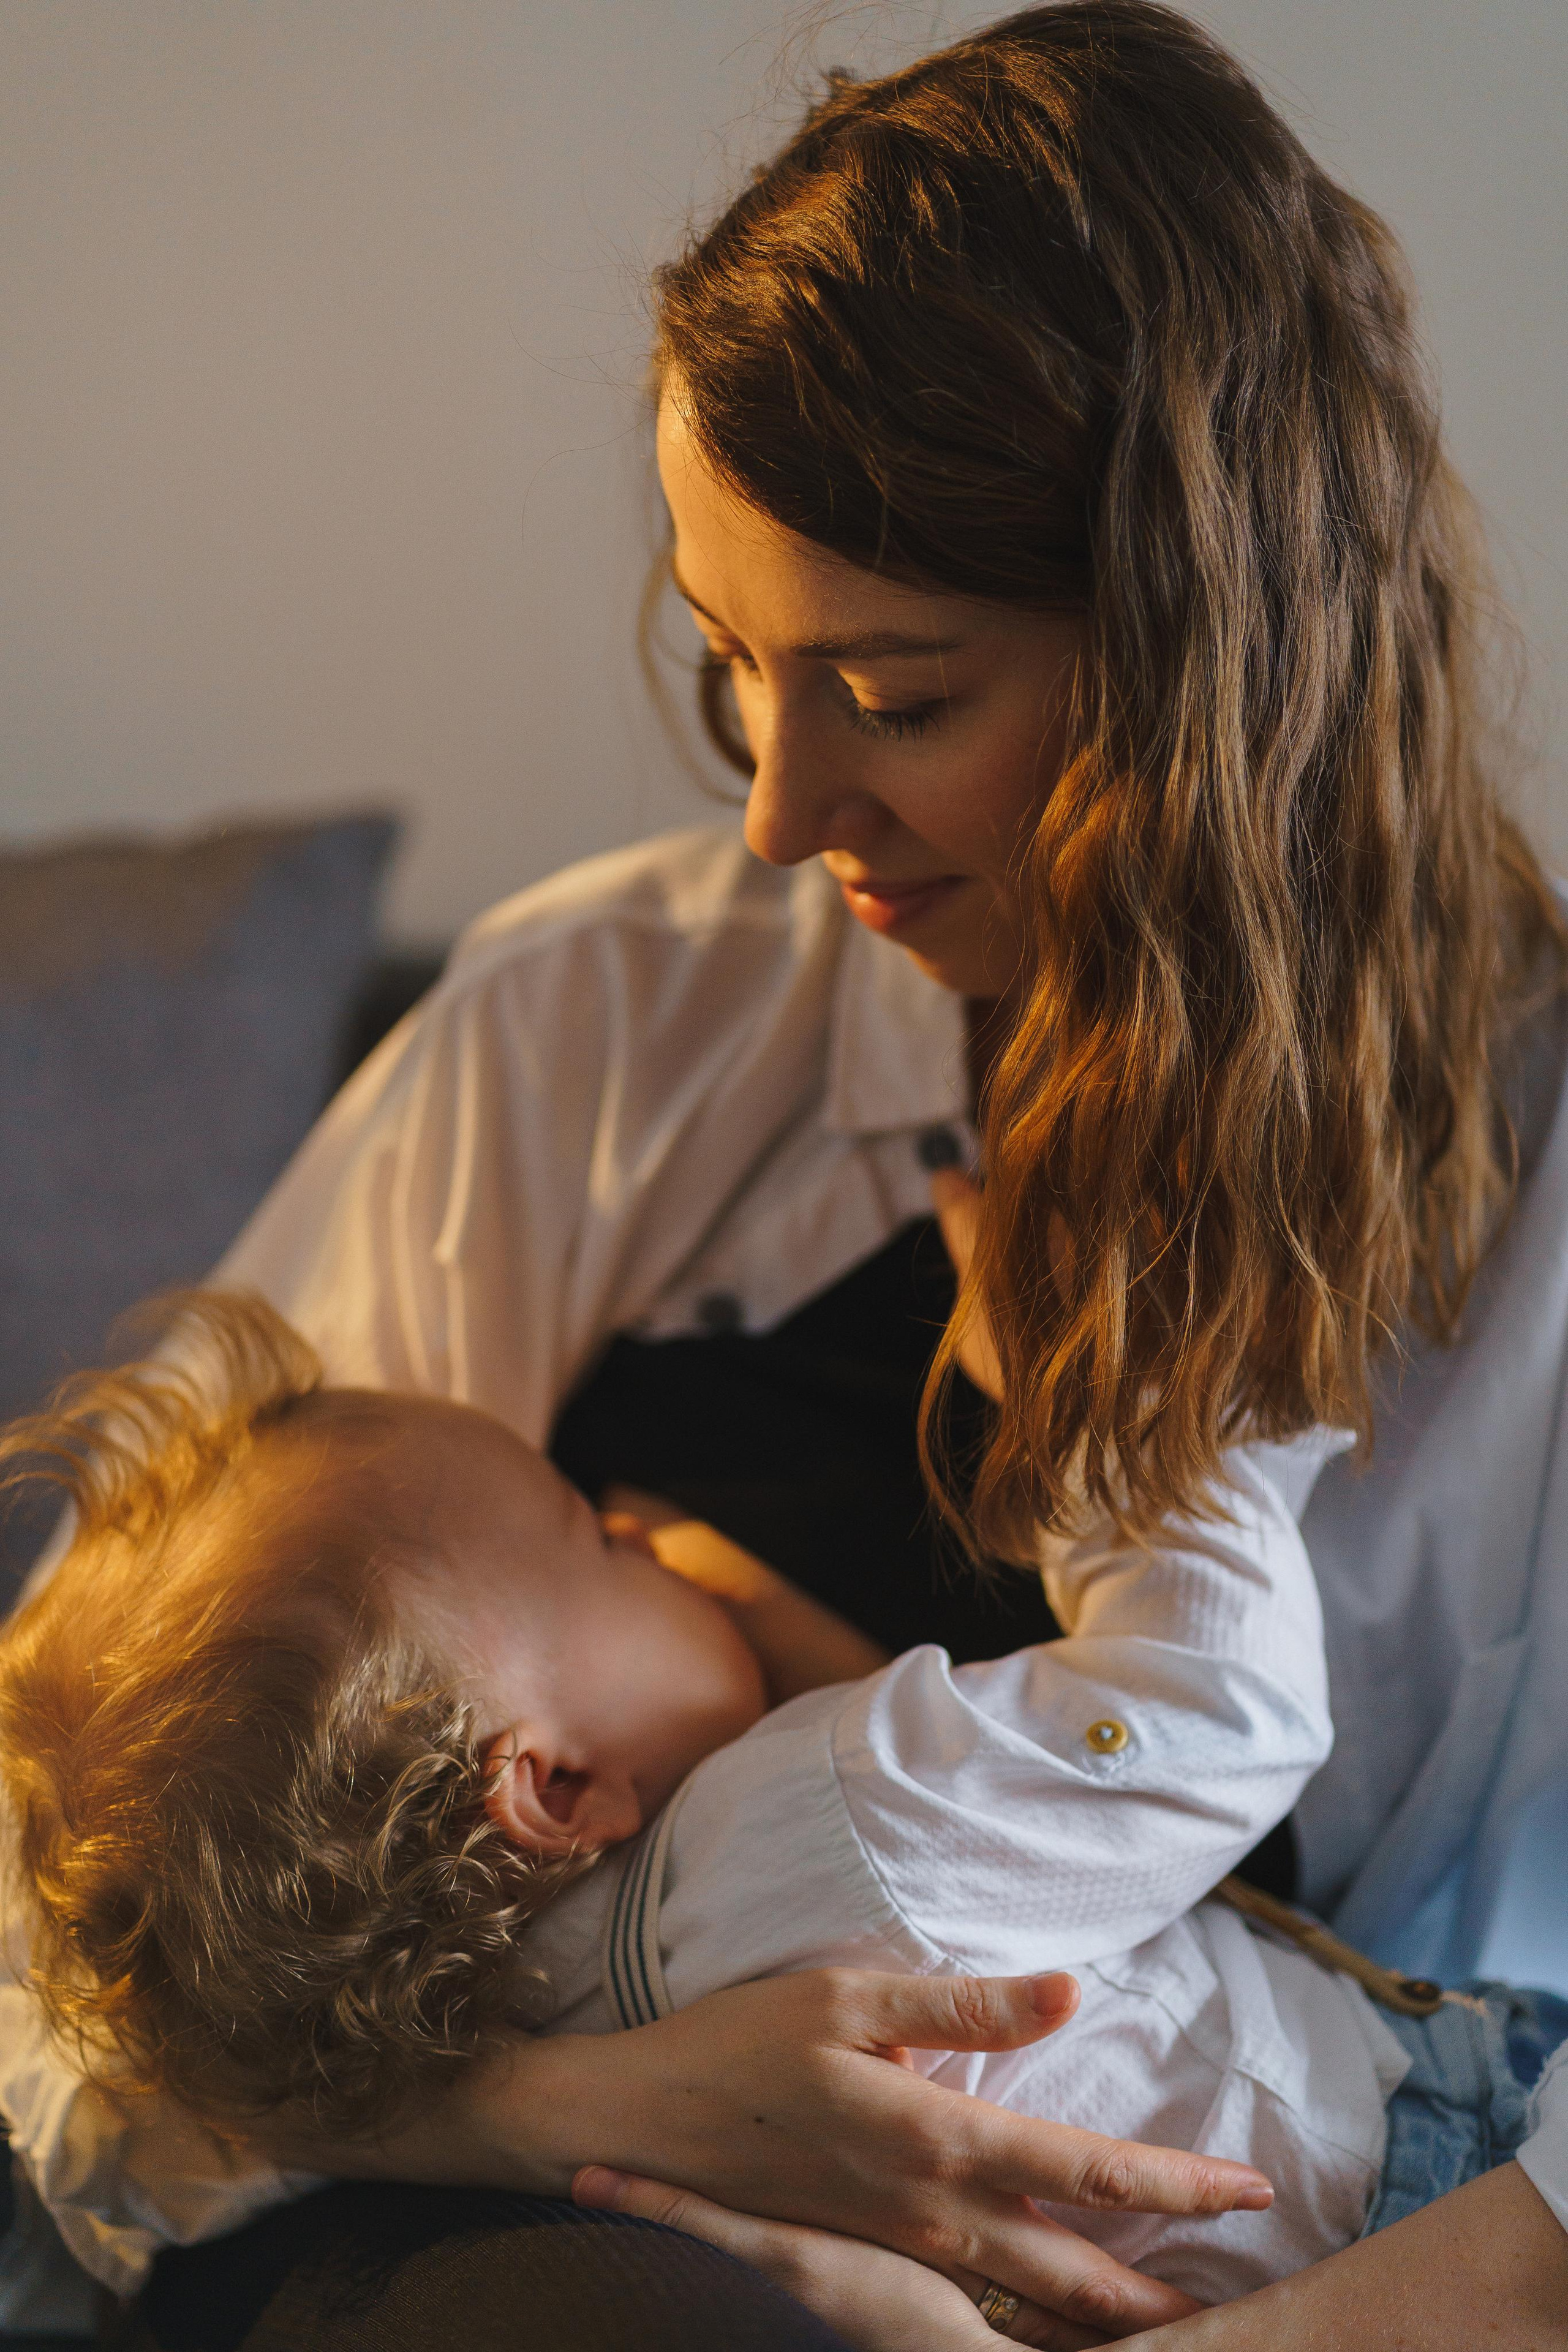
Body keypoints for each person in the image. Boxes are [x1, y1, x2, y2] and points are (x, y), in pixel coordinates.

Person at [1, 2, 1566, 2345]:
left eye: (898, 698)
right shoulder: (605, 1026)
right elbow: (98, 1897)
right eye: (735, 657)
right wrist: (558, 2108)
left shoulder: (1534, 1224)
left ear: (1218, 681)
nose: (773, 810)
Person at [6, 1291, 1559, 2348]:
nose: (641, 1534)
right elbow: (1221, 1713)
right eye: (585, 1538)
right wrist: (1138, 1413)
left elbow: (142, 2135)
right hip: (1433, 2159)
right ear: (550, 1787)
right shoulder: (829, 1818)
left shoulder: (474, 2018)